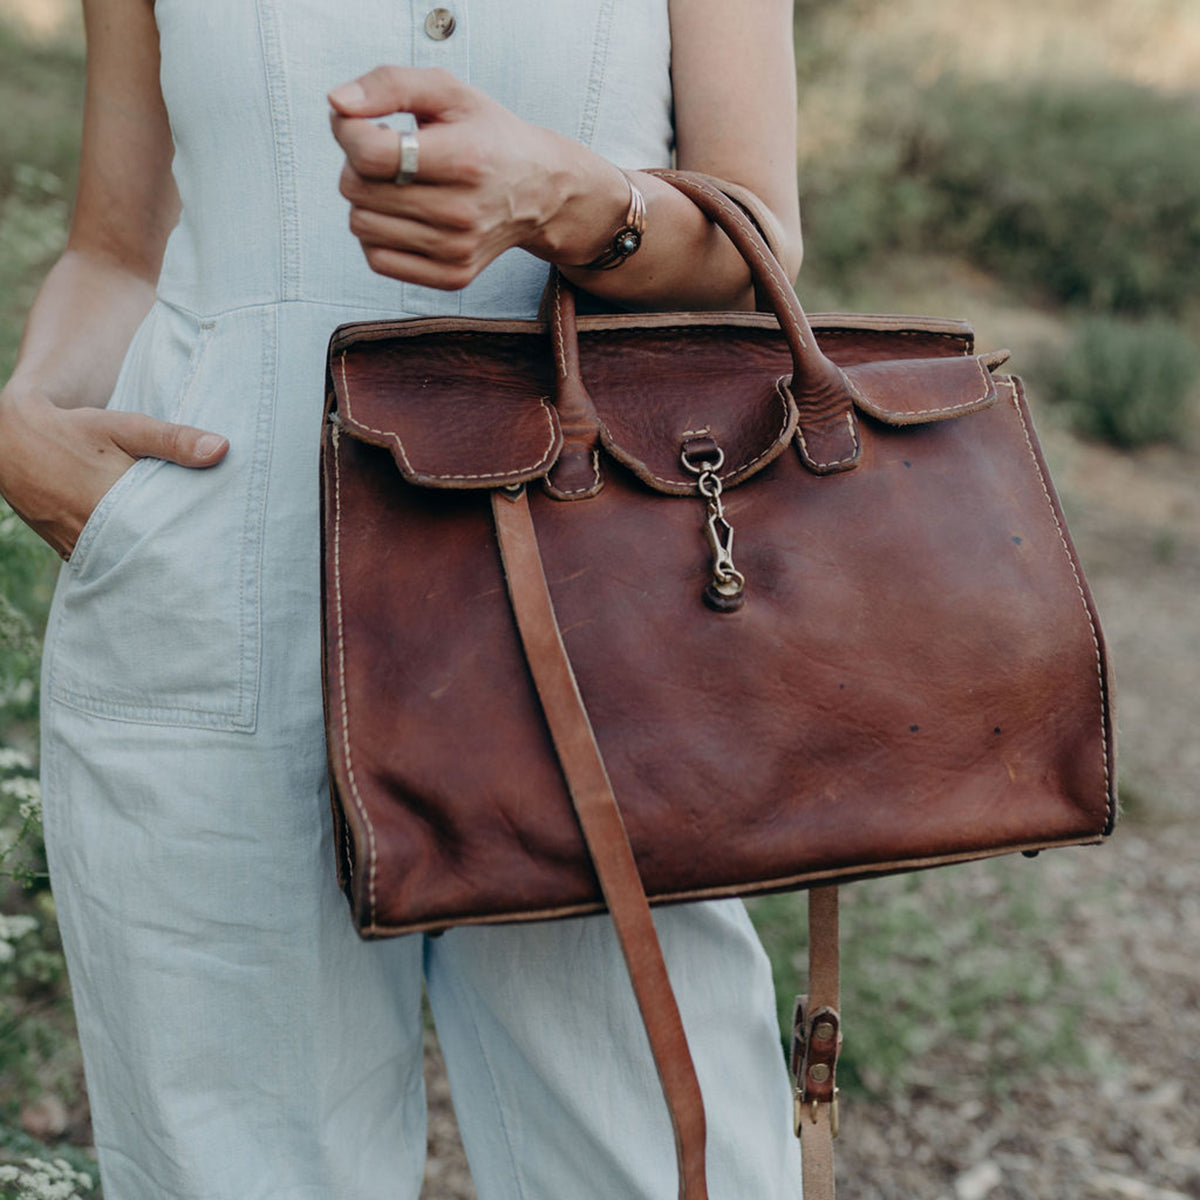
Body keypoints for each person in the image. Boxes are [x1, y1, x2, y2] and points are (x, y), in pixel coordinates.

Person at [0, 1, 805, 1196]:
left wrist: (570, 199)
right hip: (208, 597)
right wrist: (18, 435)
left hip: (592, 606)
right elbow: (114, 250)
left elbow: (760, 241)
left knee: (664, 1164)